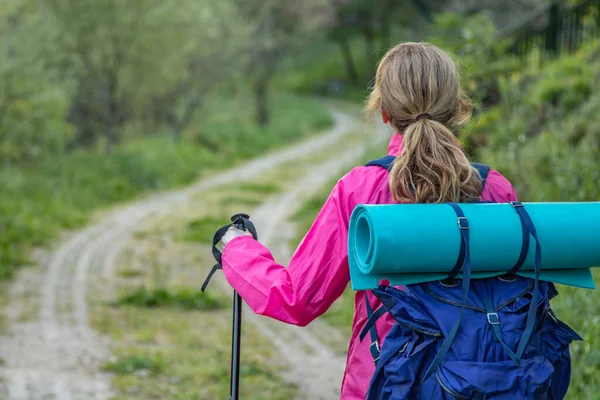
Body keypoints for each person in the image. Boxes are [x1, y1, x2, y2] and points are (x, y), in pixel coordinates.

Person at [219, 42, 517, 399]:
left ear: (385, 112)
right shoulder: (495, 189)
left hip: (384, 385)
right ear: (456, 107)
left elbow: (296, 299)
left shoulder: (361, 189)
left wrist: (235, 249)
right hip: (485, 384)